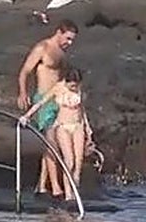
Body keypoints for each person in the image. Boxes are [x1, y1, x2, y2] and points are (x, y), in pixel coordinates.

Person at [16, 20, 78, 199]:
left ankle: (42, 185)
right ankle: (56, 188)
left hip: (57, 100)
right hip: (43, 100)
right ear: (59, 32)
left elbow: (63, 79)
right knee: (51, 142)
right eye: (67, 38)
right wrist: (23, 93)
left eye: (72, 40)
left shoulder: (62, 53)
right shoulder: (42, 48)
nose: (69, 43)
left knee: (53, 142)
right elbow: (24, 71)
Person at [21, 67, 92, 205]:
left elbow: (82, 110)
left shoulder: (79, 89)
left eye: (76, 86)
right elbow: (41, 103)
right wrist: (27, 116)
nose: (73, 88)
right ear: (66, 81)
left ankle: (74, 190)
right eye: (71, 86)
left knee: (78, 163)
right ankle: (68, 194)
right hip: (62, 126)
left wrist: (88, 129)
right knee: (69, 161)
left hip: (78, 126)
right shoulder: (58, 88)